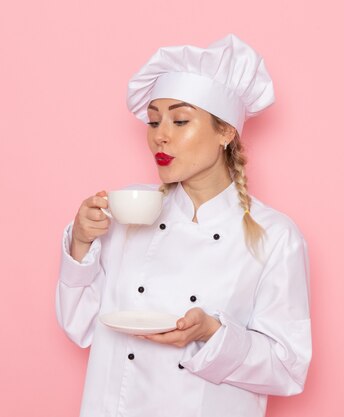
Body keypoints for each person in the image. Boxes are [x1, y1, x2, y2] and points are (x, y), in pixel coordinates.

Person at [56, 33, 312, 417]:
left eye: (179, 120)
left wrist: (212, 334)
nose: (160, 134)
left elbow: (288, 368)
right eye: (154, 120)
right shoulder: (127, 211)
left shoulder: (276, 236)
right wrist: (79, 244)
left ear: (225, 132)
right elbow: (80, 326)